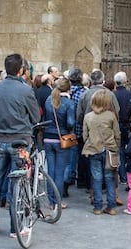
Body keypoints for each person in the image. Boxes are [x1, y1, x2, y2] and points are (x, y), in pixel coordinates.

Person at [0, 53, 40, 237]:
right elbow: (35, 117)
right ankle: (15, 228)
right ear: (21, 70)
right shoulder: (25, 90)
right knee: (17, 184)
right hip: (20, 141)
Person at [82, 89, 120, 216]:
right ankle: (111, 206)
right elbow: (117, 134)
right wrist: (117, 147)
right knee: (109, 178)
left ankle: (97, 206)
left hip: (93, 150)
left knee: (96, 179)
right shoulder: (111, 116)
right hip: (110, 150)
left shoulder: (88, 117)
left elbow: (84, 135)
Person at [43, 77, 75, 209]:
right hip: (61, 139)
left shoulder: (48, 100)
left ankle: (50, 201)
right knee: (59, 172)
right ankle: (57, 201)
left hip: (47, 138)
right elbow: (71, 122)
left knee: (50, 171)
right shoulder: (68, 103)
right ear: (68, 88)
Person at [114, 71, 131, 185]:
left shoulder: (113, 95)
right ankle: (130, 174)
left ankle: (123, 176)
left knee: (120, 150)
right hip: (129, 125)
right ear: (125, 82)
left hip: (117, 125)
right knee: (130, 150)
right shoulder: (130, 94)